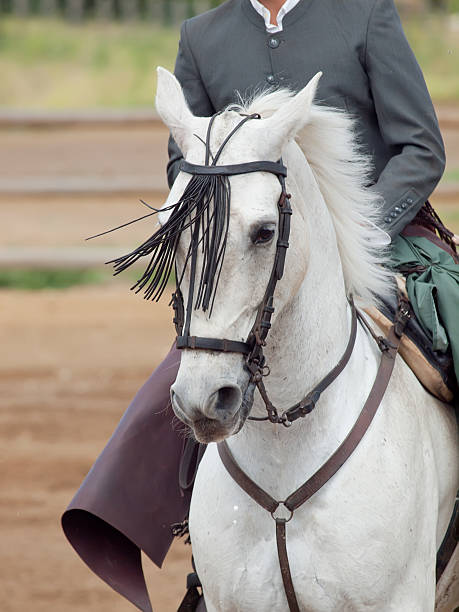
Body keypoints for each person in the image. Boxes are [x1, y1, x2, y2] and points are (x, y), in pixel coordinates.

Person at [62, 2, 457, 611]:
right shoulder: (201, 37)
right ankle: (205, 556)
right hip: (253, 250)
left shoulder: (365, 15)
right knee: (198, 362)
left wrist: (350, 235)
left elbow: (421, 148)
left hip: (383, 238)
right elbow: (184, 162)